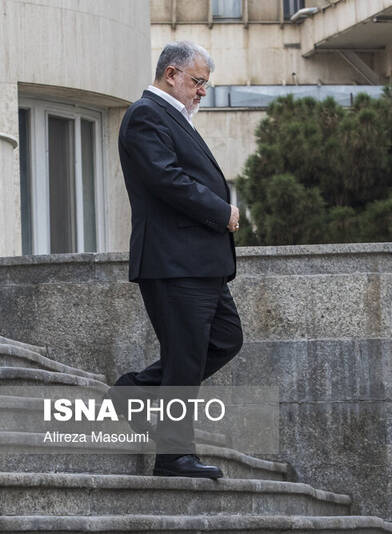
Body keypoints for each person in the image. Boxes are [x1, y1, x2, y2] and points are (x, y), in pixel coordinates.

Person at [109, 41, 243, 479]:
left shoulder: (172, 117)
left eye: (205, 83)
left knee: (225, 340)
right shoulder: (146, 114)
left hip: (199, 262)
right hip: (173, 260)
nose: (202, 91)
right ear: (171, 74)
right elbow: (167, 180)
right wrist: (221, 211)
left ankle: (132, 391)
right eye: (198, 81)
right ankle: (173, 456)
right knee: (185, 356)